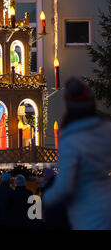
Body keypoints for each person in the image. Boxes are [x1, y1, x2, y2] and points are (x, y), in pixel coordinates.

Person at [43, 78, 111, 230]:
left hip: (89, 214)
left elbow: (64, 187)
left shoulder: (70, 141)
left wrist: (42, 200)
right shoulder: (107, 130)